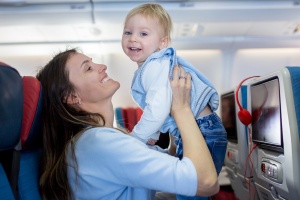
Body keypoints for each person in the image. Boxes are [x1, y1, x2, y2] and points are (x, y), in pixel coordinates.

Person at [36, 48, 219, 200]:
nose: (102, 66)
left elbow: (162, 169)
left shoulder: (88, 142)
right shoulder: (99, 142)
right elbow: (206, 182)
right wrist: (182, 109)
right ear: (72, 96)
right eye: (89, 68)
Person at [122, 4, 227, 199]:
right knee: (189, 192)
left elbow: (158, 108)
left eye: (143, 34)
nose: (133, 38)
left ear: (163, 42)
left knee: (191, 192)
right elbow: (160, 104)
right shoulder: (155, 65)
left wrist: (136, 139)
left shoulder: (155, 65)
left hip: (202, 131)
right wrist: (153, 132)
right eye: (128, 32)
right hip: (204, 129)